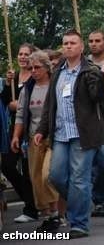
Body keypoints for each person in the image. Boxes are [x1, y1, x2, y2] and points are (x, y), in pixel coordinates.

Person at [34, 30, 104, 238]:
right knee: (56, 176)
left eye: (72, 43)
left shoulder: (90, 70)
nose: (68, 46)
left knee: (79, 178)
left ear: (81, 48)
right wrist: (42, 129)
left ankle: (79, 223)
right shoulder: (58, 72)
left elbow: (98, 95)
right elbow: (51, 104)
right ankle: (82, 201)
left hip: (83, 133)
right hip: (60, 133)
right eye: (65, 43)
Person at [11, 51, 62, 232]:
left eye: (37, 67)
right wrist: (16, 136)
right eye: (31, 68)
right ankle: (47, 215)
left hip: (55, 137)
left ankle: (56, 213)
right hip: (34, 139)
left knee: (48, 174)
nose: (33, 71)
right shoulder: (28, 88)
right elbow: (21, 114)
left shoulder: (56, 84)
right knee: (36, 178)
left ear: (47, 67)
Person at [1, 43, 38, 224]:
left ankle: (31, 209)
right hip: (15, 126)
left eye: (26, 54)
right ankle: (31, 200)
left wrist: (22, 105)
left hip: (32, 125)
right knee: (7, 164)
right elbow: (7, 102)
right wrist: (8, 85)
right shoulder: (13, 77)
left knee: (29, 168)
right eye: (20, 54)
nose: (22, 57)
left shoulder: (36, 75)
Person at [87, 30, 104, 218]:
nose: (94, 44)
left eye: (98, 41)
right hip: (90, 118)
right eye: (90, 41)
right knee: (97, 161)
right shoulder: (83, 64)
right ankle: (101, 200)